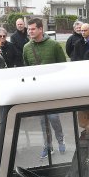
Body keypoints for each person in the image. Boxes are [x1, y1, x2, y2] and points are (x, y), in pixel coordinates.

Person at [22, 18, 66, 158]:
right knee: (43, 120)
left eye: (33, 29)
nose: (30, 31)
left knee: (53, 117)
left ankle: (60, 140)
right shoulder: (26, 48)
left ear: (41, 29)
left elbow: (63, 67)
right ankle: (48, 146)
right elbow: (26, 69)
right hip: (37, 91)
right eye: (29, 29)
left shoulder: (54, 45)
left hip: (53, 89)